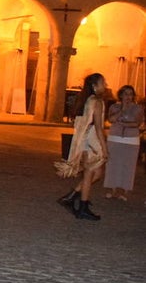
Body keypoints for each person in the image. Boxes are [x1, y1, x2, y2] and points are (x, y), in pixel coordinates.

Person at [56, 73, 108, 220]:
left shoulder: (87, 99)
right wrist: (104, 148)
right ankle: (82, 207)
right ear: (94, 86)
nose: (105, 85)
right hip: (92, 140)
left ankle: (72, 197)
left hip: (86, 139)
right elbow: (98, 127)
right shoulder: (96, 101)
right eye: (102, 83)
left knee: (96, 173)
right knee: (90, 173)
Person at [103, 85, 143, 200]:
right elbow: (111, 119)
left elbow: (136, 123)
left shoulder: (138, 108)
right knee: (113, 164)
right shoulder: (114, 107)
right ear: (120, 95)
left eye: (130, 94)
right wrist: (122, 110)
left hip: (131, 140)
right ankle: (112, 188)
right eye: (125, 94)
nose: (128, 97)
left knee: (128, 165)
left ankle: (124, 190)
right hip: (115, 138)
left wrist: (122, 123)